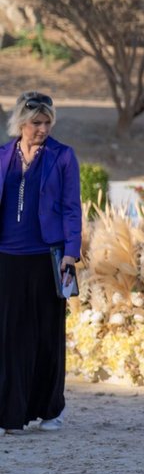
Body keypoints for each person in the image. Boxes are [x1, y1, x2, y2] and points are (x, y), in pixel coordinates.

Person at [0, 92, 82, 435]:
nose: (43, 129)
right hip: (7, 257)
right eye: (36, 122)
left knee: (47, 336)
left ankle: (51, 409)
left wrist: (70, 251)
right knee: (8, 337)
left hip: (47, 256)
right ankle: (8, 413)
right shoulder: (3, 155)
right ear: (21, 122)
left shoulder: (62, 157)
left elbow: (71, 207)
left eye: (48, 122)